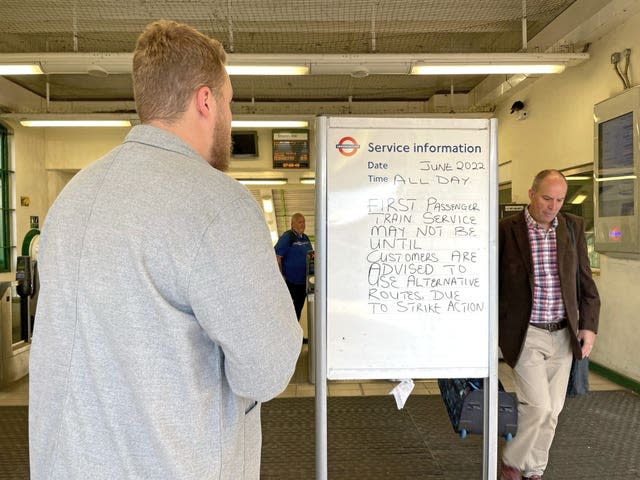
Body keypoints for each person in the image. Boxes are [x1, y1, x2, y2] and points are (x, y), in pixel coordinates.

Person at [29, 20, 302, 480]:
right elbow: (267, 371)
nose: (230, 121)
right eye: (229, 103)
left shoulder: (73, 197)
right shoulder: (217, 202)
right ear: (206, 100)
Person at [498, 169, 600, 480]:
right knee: (538, 406)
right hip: (526, 332)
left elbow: (585, 281)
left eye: (558, 200)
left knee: (553, 411)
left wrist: (589, 326)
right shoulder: (506, 230)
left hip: (564, 334)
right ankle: (511, 463)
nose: (552, 206)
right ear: (531, 193)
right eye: (546, 198)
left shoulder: (572, 227)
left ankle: (534, 471)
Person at [274, 213, 313, 321]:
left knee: (298, 309)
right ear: (292, 224)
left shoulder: (305, 238)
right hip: (292, 283)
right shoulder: (288, 236)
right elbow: (277, 256)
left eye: (304, 222)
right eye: (300, 222)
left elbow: (311, 256)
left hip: (303, 282)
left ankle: (297, 336)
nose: (303, 224)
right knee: (291, 311)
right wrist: (281, 276)